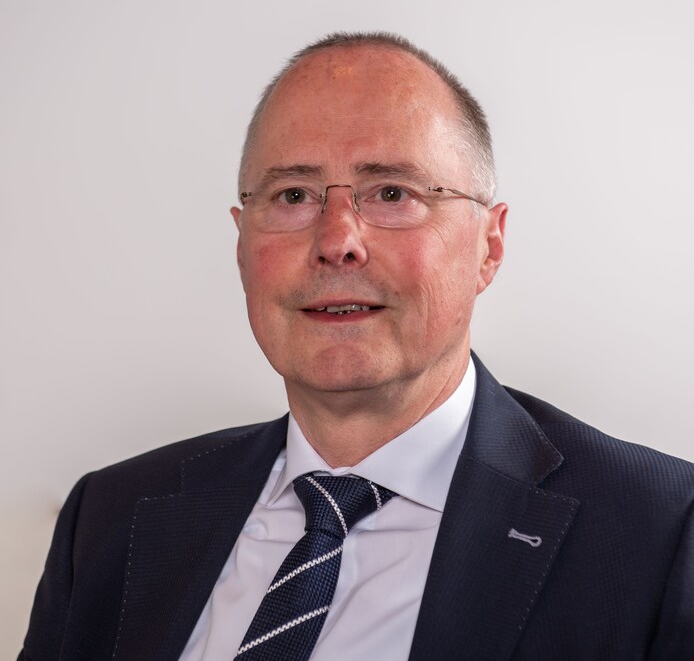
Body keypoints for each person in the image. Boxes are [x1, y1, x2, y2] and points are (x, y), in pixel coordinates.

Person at [20, 32, 694, 661]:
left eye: (392, 192)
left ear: (489, 246)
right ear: (241, 246)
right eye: (292, 195)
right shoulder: (108, 520)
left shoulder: (660, 535)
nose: (337, 240)